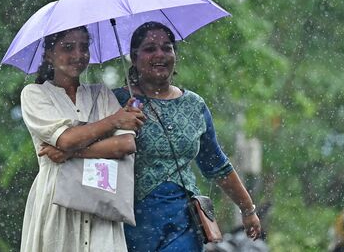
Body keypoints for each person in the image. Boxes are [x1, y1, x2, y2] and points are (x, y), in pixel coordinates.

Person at [111, 21, 262, 251]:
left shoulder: (194, 105)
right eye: (150, 49)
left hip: (183, 221)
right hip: (130, 221)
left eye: (167, 47)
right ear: (134, 57)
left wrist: (247, 209)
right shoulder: (116, 102)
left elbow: (216, 164)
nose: (160, 54)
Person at [19, 26, 145, 252]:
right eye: (68, 47)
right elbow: (66, 138)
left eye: (84, 47)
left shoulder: (101, 94)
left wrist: (70, 153)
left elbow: (125, 144)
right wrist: (114, 121)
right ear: (49, 54)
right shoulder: (34, 94)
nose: (78, 55)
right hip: (57, 204)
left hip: (102, 202)